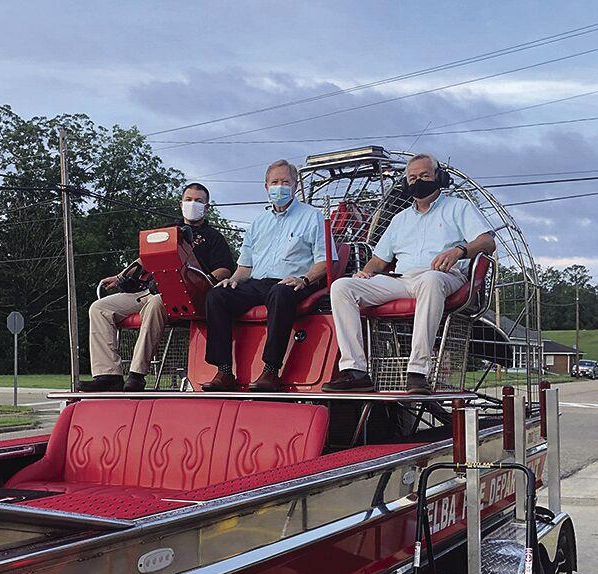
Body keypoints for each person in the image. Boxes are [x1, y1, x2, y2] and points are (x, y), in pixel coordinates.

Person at [322, 153, 496, 395]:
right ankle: (356, 371)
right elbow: (378, 260)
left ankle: (418, 372)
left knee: (430, 280)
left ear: (440, 177)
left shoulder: (458, 208)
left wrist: (460, 250)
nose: (418, 181)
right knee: (342, 287)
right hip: (403, 280)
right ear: (405, 183)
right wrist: (364, 273)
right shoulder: (399, 219)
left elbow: (487, 242)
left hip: (444, 276)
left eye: (424, 175)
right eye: (412, 177)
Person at [78, 183, 234, 392]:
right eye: (188, 199)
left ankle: (137, 375)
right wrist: (120, 276)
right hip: (153, 287)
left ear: (206, 208)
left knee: (155, 302)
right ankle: (108, 375)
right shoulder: (167, 232)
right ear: (181, 203)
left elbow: (224, 270)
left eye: (198, 201)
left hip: (188, 295)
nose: (192, 204)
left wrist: (203, 282)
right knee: (99, 308)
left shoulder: (214, 237)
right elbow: (144, 259)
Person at [201, 159, 329, 393]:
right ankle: (224, 371)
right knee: (217, 294)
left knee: (280, 293)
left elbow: (325, 262)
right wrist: (233, 280)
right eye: (274, 182)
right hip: (258, 282)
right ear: (266, 186)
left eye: (285, 182)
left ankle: (271, 370)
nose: (279, 187)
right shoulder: (258, 222)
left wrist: (305, 279)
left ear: (295, 185)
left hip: (295, 282)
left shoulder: (313, 217)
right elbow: (245, 266)